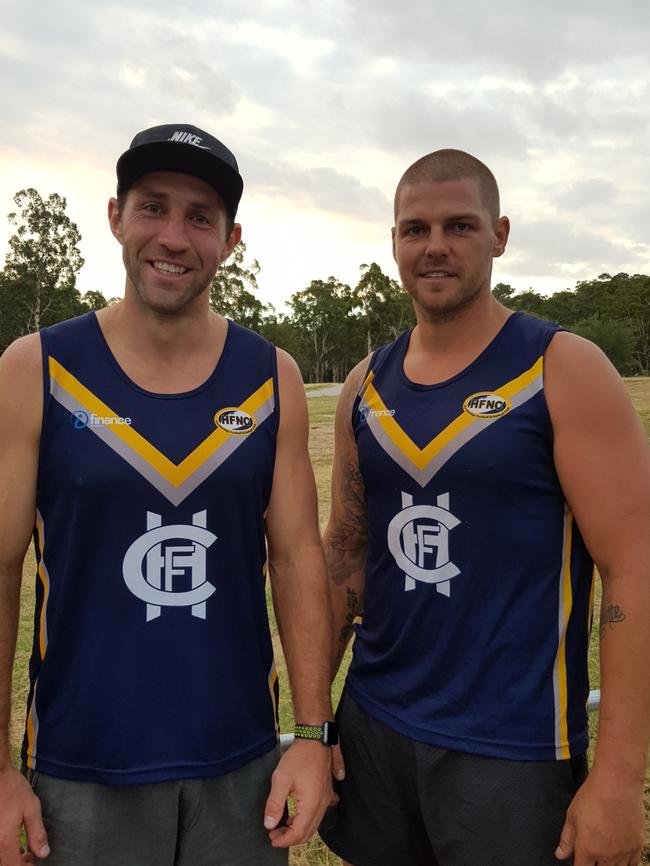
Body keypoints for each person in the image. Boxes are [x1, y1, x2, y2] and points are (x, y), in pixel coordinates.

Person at [0, 123, 335, 866]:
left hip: (241, 767)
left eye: (200, 217)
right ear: (116, 216)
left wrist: (311, 739)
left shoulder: (271, 374)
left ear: (230, 239)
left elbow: (298, 559)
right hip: (80, 770)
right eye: (153, 207)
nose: (174, 237)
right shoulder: (37, 368)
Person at [319, 149, 650, 866]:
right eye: (414, 229)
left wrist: (620, 780)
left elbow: (634, 571)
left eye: (459, 225)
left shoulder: (561, 368)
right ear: (395, 243)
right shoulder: (364, 385)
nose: (434, 245)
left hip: (511, 747)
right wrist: (314, 726)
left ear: (499, 235)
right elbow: (344, 553)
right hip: (375, 726)